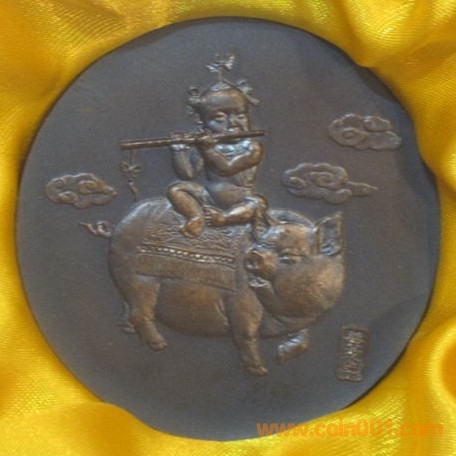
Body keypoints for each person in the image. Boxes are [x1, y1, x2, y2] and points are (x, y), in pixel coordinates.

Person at [167, 75, 268, 238]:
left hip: (241, 201)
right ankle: (196, 217)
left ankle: (223, 218)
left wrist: (208, 149)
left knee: (257, 204)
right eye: (220, 118)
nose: (233, 123)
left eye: (240, 116)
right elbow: (188, 174)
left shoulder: (252, 148)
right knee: (177, 189)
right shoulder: (206, 145)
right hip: (208, 197)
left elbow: (227, 169)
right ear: (203, 124)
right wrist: (178, 151)